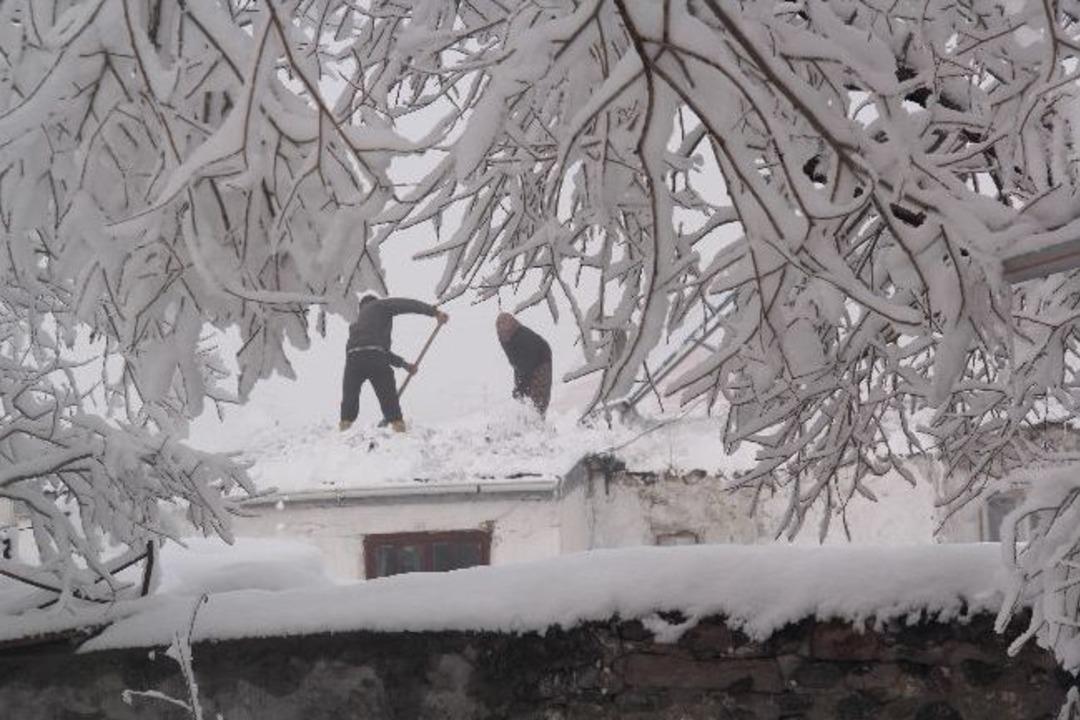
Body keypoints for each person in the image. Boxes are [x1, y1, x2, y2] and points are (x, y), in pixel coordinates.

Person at [340, 295, 448, 432]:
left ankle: (344, 430)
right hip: (375, 356)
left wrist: (404, 365)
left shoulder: (355, 323)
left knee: (350, 397)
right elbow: (407, 304)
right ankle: (398, 428)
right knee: (388, 396)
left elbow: (373, 349)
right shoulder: (381, 305)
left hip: (353, 358)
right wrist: (434, 312)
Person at [496, 312, 552, 416]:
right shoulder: (507, 339)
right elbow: (517, 365)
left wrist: (522, 386)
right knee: (522, 396)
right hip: (525, 364)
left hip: (540, 361)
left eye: (505, 325)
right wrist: (519, 386)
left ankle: (537, 423)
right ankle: (524, 421)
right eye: (499, 326)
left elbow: (528, 364)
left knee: (537, 401)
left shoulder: (522, 337)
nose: (502, 328)